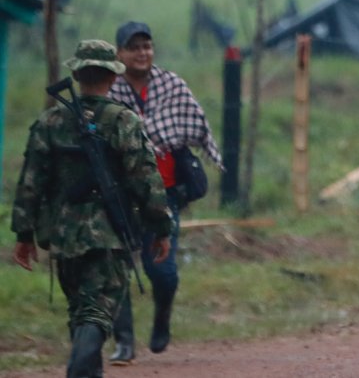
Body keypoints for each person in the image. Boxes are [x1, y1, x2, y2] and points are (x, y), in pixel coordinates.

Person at [10, 40, 173, 378]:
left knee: (81, 312)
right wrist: (161, 227)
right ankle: (77, 371)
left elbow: (30, 183)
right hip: (109, 236)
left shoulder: (50, 122)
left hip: (63, 237)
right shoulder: (124, 121)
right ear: (114, 77)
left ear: (76, 74)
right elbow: (146, 180)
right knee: (96, 313)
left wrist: (24, 234)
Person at [106, 21, 223, 364]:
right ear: (119, 53)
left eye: (146, 46)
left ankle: (162, 317)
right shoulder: (109, 91)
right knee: (115, 265)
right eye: (133, 48)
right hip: (120, 193)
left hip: (164, 194)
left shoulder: (172, 85)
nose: (142, 53)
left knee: (162, 271)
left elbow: (194, 124)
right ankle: (124, 341)